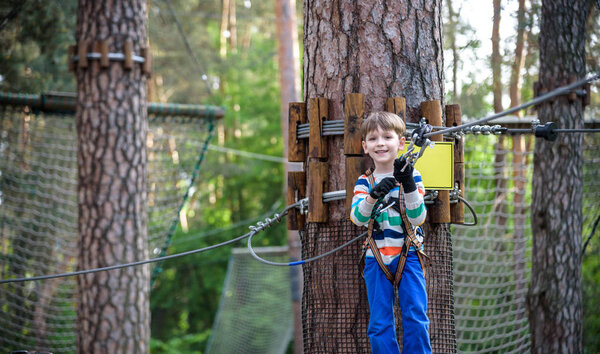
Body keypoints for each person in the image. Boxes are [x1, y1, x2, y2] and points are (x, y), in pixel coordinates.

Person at [350, 111, 431, 354]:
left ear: (401, 142)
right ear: (365, 146)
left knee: (416, 317)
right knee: (379, 323)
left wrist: (407, 185)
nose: (381, 143)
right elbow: (357, 218)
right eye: (373, 139)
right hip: (377, 257)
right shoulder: (365, 182)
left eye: (387, 137)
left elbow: (418, 218)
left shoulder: (413, 176)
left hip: (409, 255)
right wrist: (373, 197)